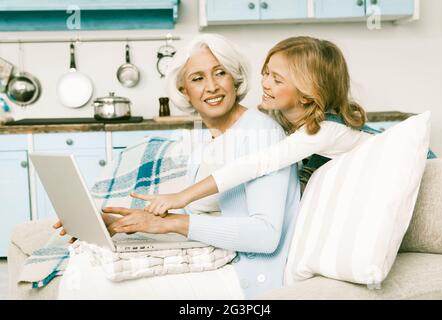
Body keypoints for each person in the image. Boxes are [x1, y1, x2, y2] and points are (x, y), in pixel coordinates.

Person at [56, 34, 301, 300]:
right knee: (85, 267)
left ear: (235, 78)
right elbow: (196, 216)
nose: (212, 87)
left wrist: (170, 223)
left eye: (220, 73)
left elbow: (265, 235)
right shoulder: (206, 143)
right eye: (197, 78)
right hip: (209, 259)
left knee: (92, 283)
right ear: (184, 90)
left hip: (245, 277)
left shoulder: (261, 132)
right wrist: (124, 223)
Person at [131, 36, 379, 215]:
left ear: (306, 95)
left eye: (277, 79)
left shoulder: (325, 131)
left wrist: (182, 196)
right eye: (266, 73)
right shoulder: (284, 122)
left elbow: (256, 164)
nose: (265, 83)